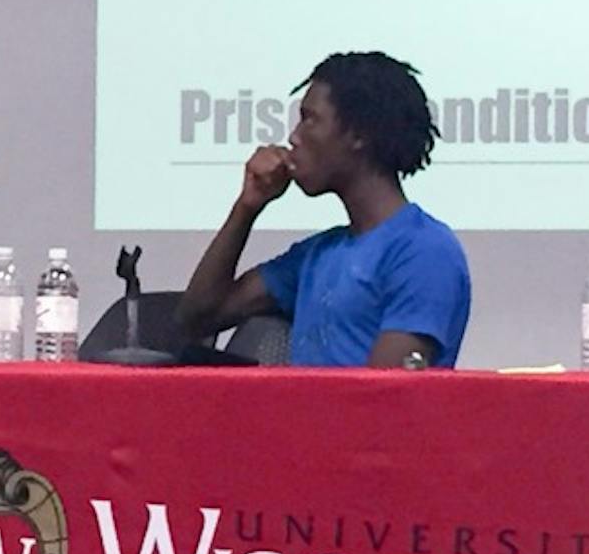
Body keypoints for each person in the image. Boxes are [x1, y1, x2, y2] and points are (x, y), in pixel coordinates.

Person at [178, 51, 471, 368]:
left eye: (310, 119)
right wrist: (247, 207)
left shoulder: (423, 251)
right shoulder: (318, 254)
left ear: (359, 134)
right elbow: (196, 319)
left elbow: (385, 399)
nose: (294, 137)